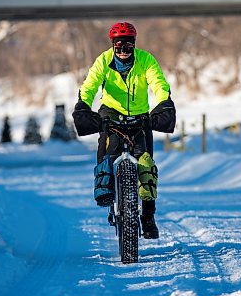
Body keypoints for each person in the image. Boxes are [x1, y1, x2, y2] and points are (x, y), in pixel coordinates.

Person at [72, 22, 176, 239]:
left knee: (146, 166)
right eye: (119, 45)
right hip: (111, 115)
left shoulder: (146, 60)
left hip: (140, 118)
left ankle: (148, 217)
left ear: (134, 44)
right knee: (106, 153)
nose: (123, 50)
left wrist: (163, 103)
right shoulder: (103, 61)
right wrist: (83, 105)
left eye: (128, 45)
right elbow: (90, 86)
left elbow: (158, 84)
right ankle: (104, 188)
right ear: (113, 44)